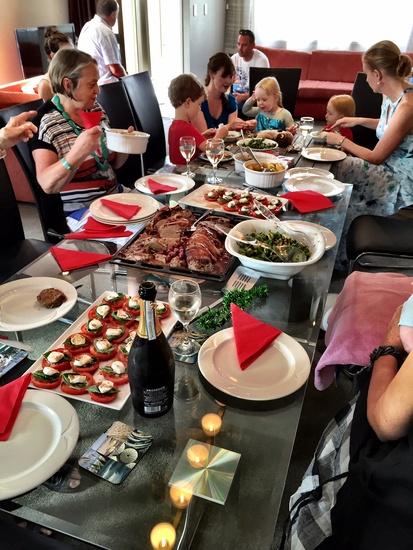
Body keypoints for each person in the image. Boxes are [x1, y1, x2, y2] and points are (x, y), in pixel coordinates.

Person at [324, 40, 413, 270]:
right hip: (389, 167)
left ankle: (336, 261)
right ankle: (330, 218)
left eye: (366, 74)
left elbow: (376, 157)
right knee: (337, 169)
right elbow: (389, 126)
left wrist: (341, 140)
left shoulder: (407, 106)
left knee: (342, 180)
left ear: (377, 74)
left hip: (401, 180)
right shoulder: (390, 95)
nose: (365, 80)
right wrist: (358, 120)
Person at [30, 48, 130, 216]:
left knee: (162, 215)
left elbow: (114, 165)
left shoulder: (95, 109)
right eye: (91, 85)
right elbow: (47, 185)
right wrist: (79, 152)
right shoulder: (45, 123)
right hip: (82, 213)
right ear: (68, 85)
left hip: (115, 198)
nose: (98, 90)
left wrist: (124, 144)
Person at [167, 73, 227, 165]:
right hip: (187, 170)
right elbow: (211, 149)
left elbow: (187, 142)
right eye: (198, 104)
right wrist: (220, 134)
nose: (199, 109)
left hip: (177, 170)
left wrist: (202, 136)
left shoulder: (173, 126)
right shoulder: (187, 127)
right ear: (188, 102)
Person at [192, 52, 253, 135]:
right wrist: (229, 126)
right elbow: (205, 138)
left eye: (231, 76)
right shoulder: (197, 101)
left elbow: (232, 135)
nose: (228, 81)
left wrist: (244, 125)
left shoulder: (231, 101)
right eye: (224, 76)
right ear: (211, 73)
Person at [77, 0, 126, 86]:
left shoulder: (86, 27)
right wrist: (128, 79)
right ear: (113, 14)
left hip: (89, 84)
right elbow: (115, 69)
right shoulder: (106, 32)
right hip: (107, 86)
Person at [231, 29, 269, 109]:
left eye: (244, 45)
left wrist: (243, 97)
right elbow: (228, 80)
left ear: (252, 45)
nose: (240, 48)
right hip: (239, 92)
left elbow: (264, 90)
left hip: (255, 96)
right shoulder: (234, 59)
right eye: (238, 44)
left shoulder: (261, 61)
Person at [38, 26, 74, 101]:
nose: (72, 57)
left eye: (73, 52)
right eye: (66, 53)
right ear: (53, 56)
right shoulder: (46, 85)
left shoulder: (75, 76)